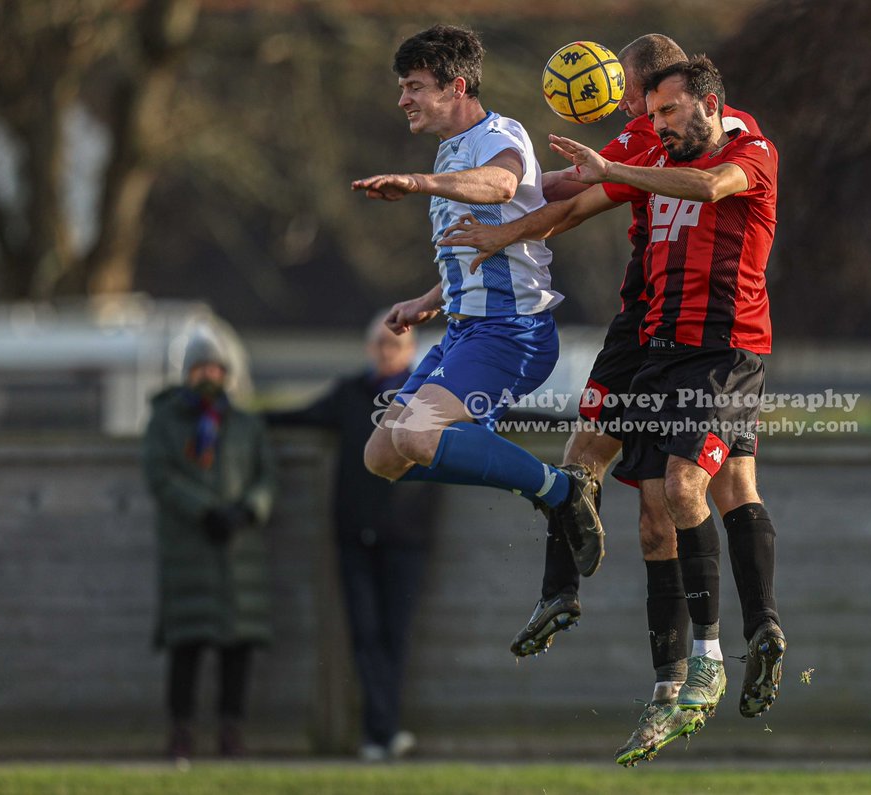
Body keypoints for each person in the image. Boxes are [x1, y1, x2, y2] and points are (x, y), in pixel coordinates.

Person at [440, 55, 785, 765]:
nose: (652, 124)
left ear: (708, 102)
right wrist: (499, 229)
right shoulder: (652, 153)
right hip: (653, 344)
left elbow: (707, 184)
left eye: (663, 111)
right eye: (648, 112)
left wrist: (613, 168)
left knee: (704, 488)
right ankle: (649, 669)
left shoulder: (749, 149)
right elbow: (571, 200)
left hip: (723, 351)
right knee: (650, 510)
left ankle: (730, 647)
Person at [504, 35, 763, 673]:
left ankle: (719, 649)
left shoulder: (718, 140)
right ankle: (564, 593)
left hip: (697, 335)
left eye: (641, 99)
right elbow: (569, 193)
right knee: (599, 463)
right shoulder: (645, 136)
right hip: (643, 325)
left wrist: (508, 210)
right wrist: (493, 196)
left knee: (689, 493)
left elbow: (586, 195)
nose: (636, 112)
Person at [351, 24, 605, 581]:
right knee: (383, 456)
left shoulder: (497, 134)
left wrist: (419, 183)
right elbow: (479, 244)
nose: (403, 100)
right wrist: (429, 299)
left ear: (457, 87)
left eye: (415, 86)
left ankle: (560, 490)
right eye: (402, 87)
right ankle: (518, 471)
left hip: (512, 332)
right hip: (465, 332)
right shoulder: (452, 152)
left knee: (418, 435)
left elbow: (502, 185)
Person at [264, 315, 435, 761]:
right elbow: (298, 415)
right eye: (380, 343)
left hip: (407, 538)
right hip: (355, 536)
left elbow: (495, 413)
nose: (386, 351)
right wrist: (239, 416)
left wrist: (569, 421)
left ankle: (381, 732)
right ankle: (382, 732)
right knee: (364, 635)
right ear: (369, 348)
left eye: (395, 344)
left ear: (410, 352)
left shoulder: (430, 396)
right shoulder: (350, 394)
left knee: (395, 637)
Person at [143, 332, 276, 760]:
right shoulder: (164, 421)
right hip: (188, 549)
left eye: (215, 368)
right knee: (186, 645)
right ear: (187, 373)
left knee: (237, 649)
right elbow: (161, 477)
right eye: (200, 368)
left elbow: (266, 478)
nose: (208, 376)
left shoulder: (246, 424)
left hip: (239, 554)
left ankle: (231, 731)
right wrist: (205, 511)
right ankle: (180, 732)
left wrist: (247, 511)